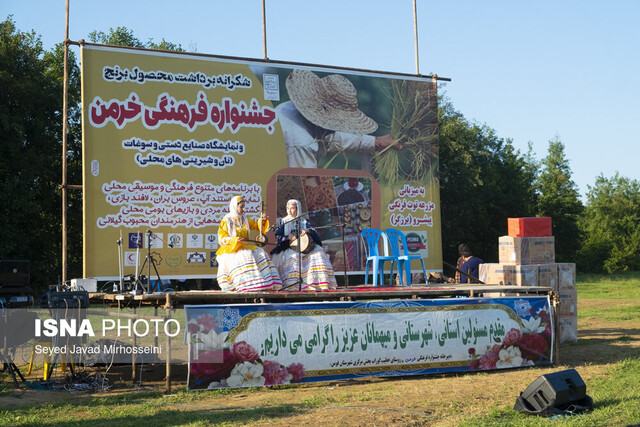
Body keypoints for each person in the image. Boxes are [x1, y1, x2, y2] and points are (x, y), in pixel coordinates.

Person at [277, 69, 402, 168]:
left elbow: (334, 138)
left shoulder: (291, 108)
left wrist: (376, 142)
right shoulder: (301, 142)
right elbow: (304, 186)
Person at [216, 196, 282, 292]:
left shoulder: (245, 219)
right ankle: (244, 286)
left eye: (244, 207)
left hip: (246, 246)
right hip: (233, 249)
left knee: (261, 253)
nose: (244, 209)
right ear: (235, 206)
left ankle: (262, 284)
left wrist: (262, 220)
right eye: (241, 207)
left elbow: (256, 226)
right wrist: (234, 240)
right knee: (245, 257)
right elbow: (222, 238)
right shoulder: (226, 220)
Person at [270, 199, 337, 291]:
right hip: (289, 247)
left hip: (306, 248)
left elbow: (314, 234)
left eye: (292, 208)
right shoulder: (283, 222)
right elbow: (278, 237)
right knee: (293, 256)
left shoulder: (304, 222)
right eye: (288, 208)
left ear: (298, 209)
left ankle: (315, 284)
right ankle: (292, 286)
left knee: (318, 252)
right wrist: (287, 237)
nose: (289, 211)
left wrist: (307, 231)